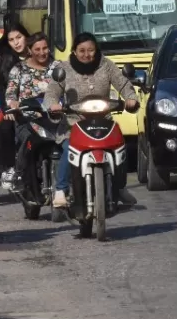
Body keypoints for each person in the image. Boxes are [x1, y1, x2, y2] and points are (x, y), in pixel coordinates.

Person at [45, 32, 141, 209]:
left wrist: (131, 98)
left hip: (103, 121)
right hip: (74, 123)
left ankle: (119, 187)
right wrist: (53, 105)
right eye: (82, 50)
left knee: (120, 146)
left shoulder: (106, 65)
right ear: (74, 51)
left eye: (91, 50)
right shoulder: (64, 69)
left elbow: (123, 84)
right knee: (68, 148)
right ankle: (61, 190)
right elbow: (51, 93)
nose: (86, 54)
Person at [4, 33, 57, 193]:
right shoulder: (19, 69)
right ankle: (21, 175)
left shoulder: (59, 67)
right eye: (37, 49)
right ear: (30, 50)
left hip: (54, 120)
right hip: (27, 120)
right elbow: (11, 93)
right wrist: (14, 103)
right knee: (29, 141)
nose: (42, 52)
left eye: (45, 48)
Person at [0, 23, 30, 186]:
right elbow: (2, 87)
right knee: (6, 128)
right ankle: (8, 168)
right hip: (12, 105)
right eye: (11, 40)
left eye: (19, 38)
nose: (16, 43)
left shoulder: (38, 53)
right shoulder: (8, 59)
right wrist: (7, 107)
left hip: (37, 104)